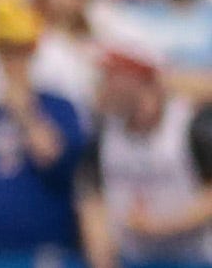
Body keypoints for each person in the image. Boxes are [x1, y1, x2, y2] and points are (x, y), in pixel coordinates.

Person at [0, 0, 102, 266]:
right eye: (5, 51)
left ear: (33, 52)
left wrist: (24, 113)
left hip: (48, 253)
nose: (12, 60)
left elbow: (54, 158)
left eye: (20, 51)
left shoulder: (61, 109)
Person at [89, 38, 212, 263]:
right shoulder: (104, 134)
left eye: (113, 76)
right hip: (133, 259)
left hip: (193, 258)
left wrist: (162, 225)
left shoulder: (191, 127)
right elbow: (93, 200)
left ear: (139, 79)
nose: (105, 85)